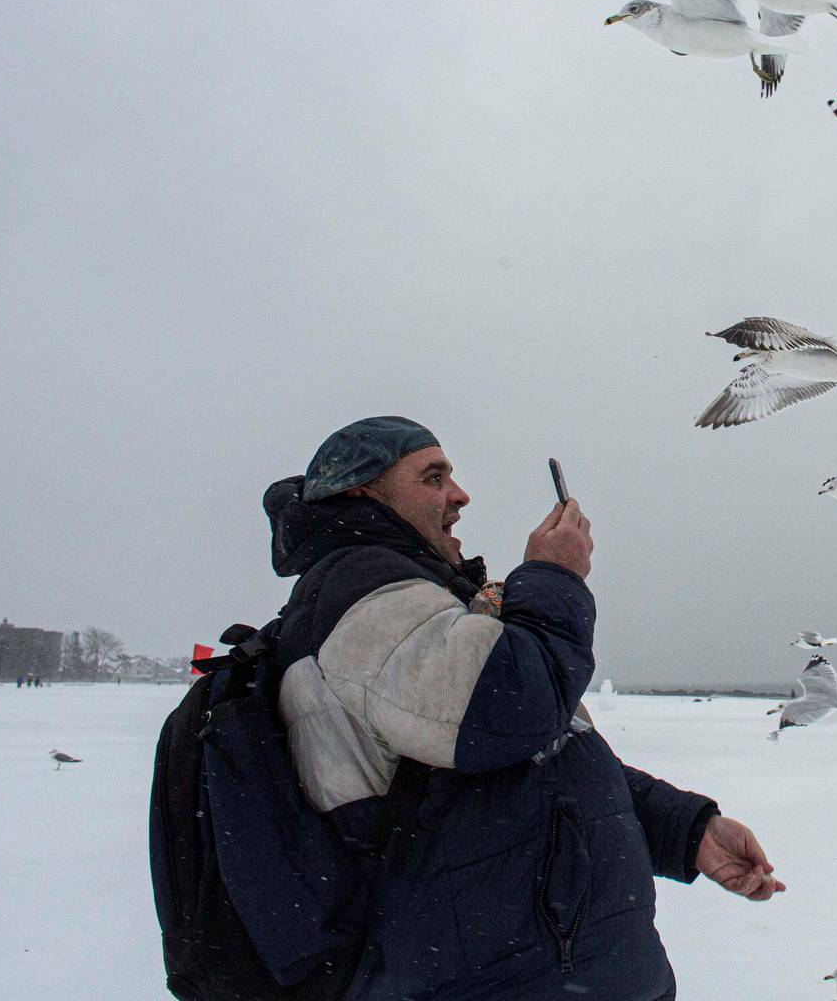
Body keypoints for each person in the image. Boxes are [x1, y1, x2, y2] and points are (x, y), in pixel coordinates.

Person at [265, 416, 782, 1000]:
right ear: (362, 494)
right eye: (433, 477)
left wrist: (687, 832)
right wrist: (554, 577)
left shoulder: (428, 600)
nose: (460, 496)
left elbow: (544, 767)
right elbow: (509, 713)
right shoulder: (358, 590)